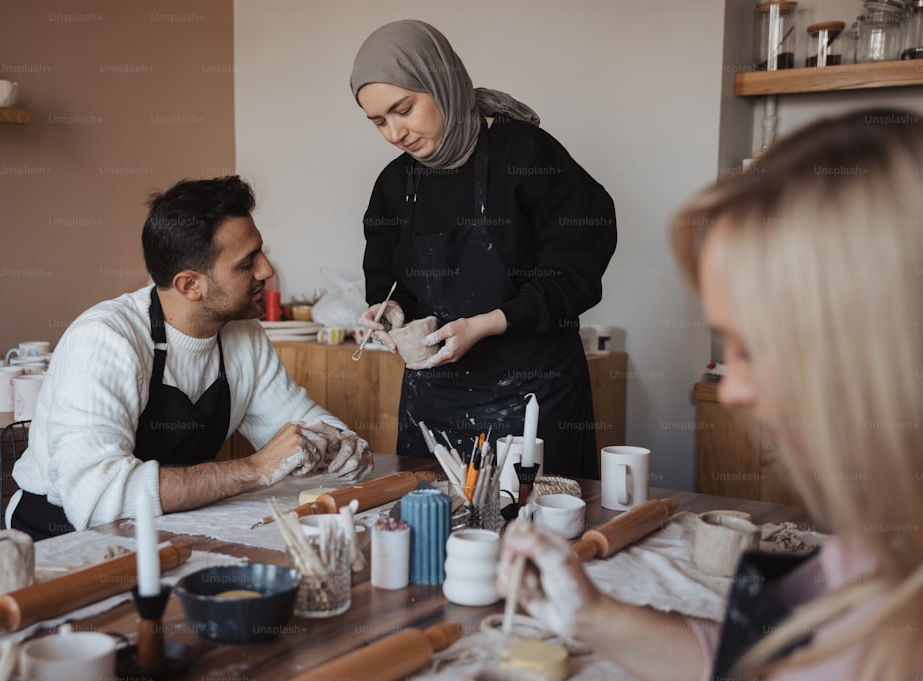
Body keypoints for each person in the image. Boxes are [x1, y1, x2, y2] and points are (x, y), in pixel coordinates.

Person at [497, 108, 923, 681]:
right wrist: (593, 616)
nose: (735, 390)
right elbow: (767, 660)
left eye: (756, 349)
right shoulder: (877, 549)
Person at [8, 176, 373, 540]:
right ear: (189, 285)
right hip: (61, 537)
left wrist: (341, 445)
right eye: (247, 265)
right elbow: (97, 498)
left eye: (261, 252)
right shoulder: (105, 340)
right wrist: (255, 468)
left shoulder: (240, 333)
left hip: (167, 526)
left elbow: (298, 422)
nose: (267, 270)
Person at [350, 20, 617, 478]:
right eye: (379, 121)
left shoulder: (528, 155)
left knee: (535, 537)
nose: (395, 133)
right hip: (433, 402)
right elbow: (387, 275)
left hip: (533, 396)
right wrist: (388, 308)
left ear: (442, 82)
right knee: (432, 529)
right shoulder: (395, 185)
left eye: (404, 109)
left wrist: (487, 324)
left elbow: (574, 272)